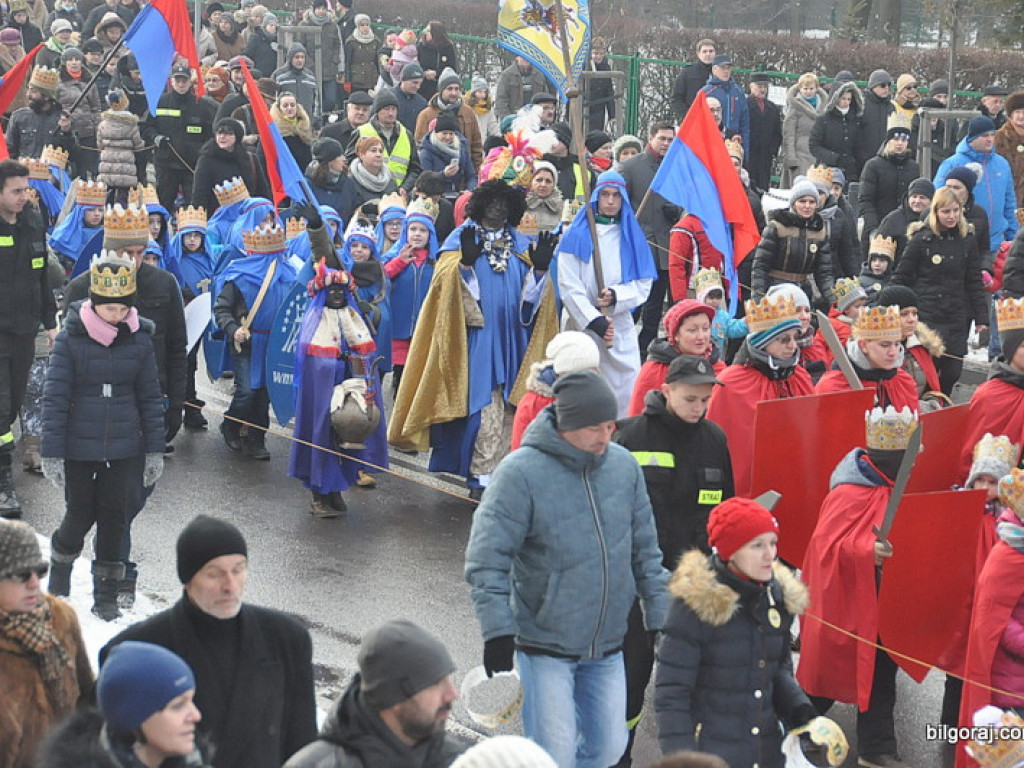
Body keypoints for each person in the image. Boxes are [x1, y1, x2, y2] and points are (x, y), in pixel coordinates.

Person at [465, 370, 669, 768]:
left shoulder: (624, 468)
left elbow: (646, 550)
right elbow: (486, 560)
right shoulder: (520, 473)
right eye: (595, 427)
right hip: (545, 645)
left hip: (609, 643)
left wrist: (659, 615)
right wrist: (498, 631)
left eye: (610, 425)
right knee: (552, 754)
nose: (605, 436)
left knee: (610, 748)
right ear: (567, 421)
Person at [102, 515, 317, 768]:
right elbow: (113, 750)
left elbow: (303, 743)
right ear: (187, 579)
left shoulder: (286, 639)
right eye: (214, 574)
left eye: (238, 570)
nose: (230, 586)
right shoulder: (139, 649)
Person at [388, 179, 558, 497]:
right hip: (476, 336)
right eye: (492, 202)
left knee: (510, 404)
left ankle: (505, 473)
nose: (498, 208)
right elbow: (444, 290)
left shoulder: (522, 245)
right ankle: (481, 477)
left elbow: (534, 303)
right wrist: (464, 265)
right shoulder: (460, 239)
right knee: (484, 405)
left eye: (504, 203)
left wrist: (539, 272)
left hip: (515, 337)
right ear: (480, 205)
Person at [614, 354, 734, 765]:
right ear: (666, 392)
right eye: (690, 399)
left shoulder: (715, 440)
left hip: (695, 582)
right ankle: (617, 757)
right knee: (631, 678)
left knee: (694, 687)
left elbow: (724, 513)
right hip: (639, 583)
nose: (698, 409)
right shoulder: (630, 437)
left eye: (704, 400)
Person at [656, 496, 827, 767]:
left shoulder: (777, 598)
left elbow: (777, 671)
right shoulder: (695, 605)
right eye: (757, 545)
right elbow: (672, 695)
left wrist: (802, 713)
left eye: (773, 543)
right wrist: (683, 759)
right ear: (730, 551)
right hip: (712, 753)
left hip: (767, 751)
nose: (770, 554)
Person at [42, 251, 163, 620]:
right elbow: (56, 397)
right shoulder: (70, 339)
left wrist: (154, 450)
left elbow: (149, 396)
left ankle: (106, 595)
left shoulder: (139, 339)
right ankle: (60, 573)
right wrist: (53, 453)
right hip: (80, 444)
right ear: (95, 305)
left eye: (123, 309)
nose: (117, 316)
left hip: (125, 446)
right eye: (109, 309)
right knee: (79, 514)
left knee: (115, 517)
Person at [798, 405, 919, 768]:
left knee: (883, 674)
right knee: (824, 678)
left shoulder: (907, 485)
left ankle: (876, 747)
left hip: (887, 602)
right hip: (847, 601)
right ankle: (794, 727)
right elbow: (825, 548)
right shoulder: (849, 491)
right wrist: (869, 551)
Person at [285, 620, 463, 768]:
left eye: (449, 679)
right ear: (395, 698)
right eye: (435, 683)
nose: (452, 694)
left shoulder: (461, 760)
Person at [557, 170, 656, 417]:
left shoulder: (632, 237)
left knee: (625, 390)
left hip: (619, 326)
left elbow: (643, 283)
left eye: (616, 196)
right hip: (583, 326)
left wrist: (616, 296)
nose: (610, 201)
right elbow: (568, 283)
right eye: (605, 195)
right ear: (596, 198)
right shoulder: (577, 234)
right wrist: (593, 318)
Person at [0, 519, 92, 768]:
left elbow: (87, 701)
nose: (34, 583)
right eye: (21, 574)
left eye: (39, 571)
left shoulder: (60, 618)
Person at [706, 293, 815, 497]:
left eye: (794, 338)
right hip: (749, 488)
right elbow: (719, 447)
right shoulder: (731, 382)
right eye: (783, 340)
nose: (792, 346)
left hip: (794, 481)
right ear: (763, 342)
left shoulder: (800, 377)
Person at [39, 640, 209, 768]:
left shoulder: (196, 760)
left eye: (191, 701)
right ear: (134, 716)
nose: (196, 715)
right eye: (178, 706)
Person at [892, 185, 988, 395]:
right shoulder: (921, 239)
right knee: (928, 372)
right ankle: (929, 407)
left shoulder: (967, 239)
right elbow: (901, 277)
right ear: (936, 212)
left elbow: (974, 280)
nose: (952, 216)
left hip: (956, 314)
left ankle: (943, 401)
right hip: (928, 313)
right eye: (946, 212)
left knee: (953, 371)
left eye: (956, 210)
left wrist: (982, 317)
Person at [214, 223, 297, 460]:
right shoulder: (239, 277)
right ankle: (231, 424)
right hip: (247, 343)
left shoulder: (290, 276)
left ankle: (257, 437)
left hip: (274, 345)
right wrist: (233, 329)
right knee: (248, 391)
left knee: (264, 394)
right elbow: (221, 309)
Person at [0, 161, 54, 519]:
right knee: (2, 408)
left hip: (24, 331)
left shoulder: (33, 222)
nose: (24, 197)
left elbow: (42, 276)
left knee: (14, 401)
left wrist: (51, 322)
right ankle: (4, 484)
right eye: (16, 191)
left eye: (26, 190)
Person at [621, 120, 678, 358]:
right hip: (639, 248)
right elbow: (620, 205)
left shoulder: (676, 167)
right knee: (632, 306)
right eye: (662, 138)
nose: (665, 144)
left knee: (655, 308)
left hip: (668, 250)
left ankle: (646, 353)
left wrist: (675, 210)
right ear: (651, 137)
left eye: (670, 139)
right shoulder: (631, 167)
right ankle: (623, 348)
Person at [382, 196, 440, 395]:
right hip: (398, 325)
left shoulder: (435, 263)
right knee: (399, 371)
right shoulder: (392, 257)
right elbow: (381, 280)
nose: (417, 234)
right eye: (413, 229)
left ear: (430, 235)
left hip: (423, 326)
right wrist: (400, 262)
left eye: (423, 230)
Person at [936, 115, 1019, 253]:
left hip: (998, 242)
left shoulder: (1002, 164)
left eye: (992, 134)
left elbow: (1009, 202)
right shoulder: (952, 164)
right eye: (984, 135)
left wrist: (1013, 236)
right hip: (964, 241)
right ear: (971, 138)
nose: (990, 139)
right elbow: (939, 200)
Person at [142, 63, 218, 213]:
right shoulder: (160, 102)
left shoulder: (203, 105)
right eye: (178, 81)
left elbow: (211, 134)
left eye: (184, 81)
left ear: (190, 82)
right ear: (171, 81)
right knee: (164, 203)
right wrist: (156, 138)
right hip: (166, 163)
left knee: (195, 206)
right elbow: (145, 127)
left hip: (192, 165)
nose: (181, 84)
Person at [815, 304, 920, 410]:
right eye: (885, 345)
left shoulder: (904, 382)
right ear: (863, 345)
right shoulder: (833, 386)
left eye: (897, 344)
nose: (893, 352)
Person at [628, 299, 721, 418]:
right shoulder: (655, 370)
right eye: (692, 330)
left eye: (706, 328)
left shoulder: (719, 367)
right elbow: (639, 420)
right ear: (675, 334)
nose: (701, 337)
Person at [750, 178, 835, 305]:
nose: (807, 206)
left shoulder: (820, 232)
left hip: (803, 291)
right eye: (802, 201)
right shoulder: (776, 227)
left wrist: (833, 300)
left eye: (811, 202)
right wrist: (758, 298)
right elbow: (760, 266)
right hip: (776, 290)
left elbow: (824, 272)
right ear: (794, 203)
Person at [511, 330, 599, 451]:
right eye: (585, 374)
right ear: (564, 373)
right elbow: (519, 453)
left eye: (594, 373)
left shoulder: (598, 398)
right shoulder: (533, 404)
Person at [875, 284, 946, 407]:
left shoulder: (919, 347)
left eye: (914, 313)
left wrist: (931, 402)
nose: (911, 319)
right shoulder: (874, 352)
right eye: (904, 314)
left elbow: (930, 387)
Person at [859, 126, 921, 254]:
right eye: (896, 139)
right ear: (888, 141)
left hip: (905, 230)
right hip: (878, 226)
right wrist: (873, 229)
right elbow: (866, 199)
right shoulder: (873, 166)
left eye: (903, 140)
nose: (899, 143)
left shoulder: (913, 167)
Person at [191, 118, 269, 214]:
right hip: (216, 218)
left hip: (246, 216)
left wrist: (268, 212)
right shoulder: (206, 158)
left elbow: (262, 191)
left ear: (237, 136)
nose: (222, 137)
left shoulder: (250, 159)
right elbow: (199, 193)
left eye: (228, 133)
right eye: (219, 133)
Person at [353, 89, 422, 195]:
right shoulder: (361, 132)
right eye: (386, 109)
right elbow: (350, 164)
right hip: (367, 192)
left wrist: (405, 187)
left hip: (399, 194)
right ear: (377, 111)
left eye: (394, 109)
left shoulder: (406, 134)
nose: (391, 113)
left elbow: (415, 168)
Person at [414, 68, 483, 170]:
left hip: (465, 175)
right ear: (441, 90)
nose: (454, 93)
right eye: (449, 89)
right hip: (435, 175)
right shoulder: (426, 115)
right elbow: (419, 147)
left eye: (457, 89)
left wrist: (477, 173)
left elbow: (476, 145)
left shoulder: (468, 112)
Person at [6, 66, 74, 162]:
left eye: (33, 91)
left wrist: (67, 132)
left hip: (52, 174)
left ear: (46, 96)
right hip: (24, 173)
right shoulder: (18, 117)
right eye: (28, 89)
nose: (28, 95)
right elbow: (9, 151)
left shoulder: (62, 119)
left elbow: (74, 154)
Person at [809, 81, 865, 183]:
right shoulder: (823, 119)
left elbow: (859, 147)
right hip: (827, 170)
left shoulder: (855, 120)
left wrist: (857, 164)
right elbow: (814, 146)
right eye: (843, 98)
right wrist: (833, 157)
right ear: (835, 98)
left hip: (850, 171)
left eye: (849, 99)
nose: (846, 102)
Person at [782, 74, 827, 186]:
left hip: (818, 154)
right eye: (805, 88)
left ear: (816, 89)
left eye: (811, 88)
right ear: (800, 89)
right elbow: (789, 134)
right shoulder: (795, 107)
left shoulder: (824, 107)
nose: (808, 91)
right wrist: (791, 158)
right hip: (800, 154)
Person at [418, 110, 477, 195]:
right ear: (436, 133)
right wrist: (443, 175)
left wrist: (469, 190)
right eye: (444, 133)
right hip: (435, 197)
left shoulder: (461, 149)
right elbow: (424, 182)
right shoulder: (426, 152)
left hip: (457, 194)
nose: (448, 137)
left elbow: (472, 176)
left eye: (451, 133)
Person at [298, 0, 341, 113]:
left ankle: (325, 121)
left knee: (331, 100)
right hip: (310, 70)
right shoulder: (304, 25)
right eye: (318, 8)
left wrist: (335, 60)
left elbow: (337, 44)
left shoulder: (332, 26)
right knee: (312, 100)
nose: (321, 11)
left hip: (329, 70)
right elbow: (300, 47)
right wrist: (308, 63)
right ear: (313, 9)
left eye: (323, 8)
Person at [876, 177, 933, 263]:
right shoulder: (892, 220)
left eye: (922, 197)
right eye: (914, 197)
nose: (917, 201)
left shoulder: (937, 219)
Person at [96, 89, 144, 191]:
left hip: (107, 164)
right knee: (124, 197)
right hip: (126, 166)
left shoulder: (103, 124)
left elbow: (99, 145)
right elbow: (138, 145)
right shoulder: (131, 124)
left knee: (107, 194)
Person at [699, 54, 748, 149]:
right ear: (714, 70)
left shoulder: (738, 92)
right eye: (722, 68)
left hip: (733, 144)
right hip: (711, 143)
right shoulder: (705, 92)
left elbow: (744, 123)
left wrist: (744, 148)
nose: (726, 71)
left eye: (728, 68)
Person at [745, 72, 782, 192]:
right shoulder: (745, 105)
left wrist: (773, 149)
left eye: (765, 87)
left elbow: (777, 132)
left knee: (763, 186)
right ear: (751, 86)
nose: (763, 90)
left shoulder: (773, 108)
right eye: (759, 86)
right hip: (750, 154)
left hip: (765, 155)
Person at [306, 137, 355, 223]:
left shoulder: (348, 184)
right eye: (339, 155)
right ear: (329, 160)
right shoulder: (307, 185)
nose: (344, 159)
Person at [349, 135, 399, 209]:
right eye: (373, 151)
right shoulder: (351, 181)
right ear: (361, 154)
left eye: (381, 151)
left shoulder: (390, 179)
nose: (378, 155)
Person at [670, 38, 715, 121]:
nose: (708, 54)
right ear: (698, 54)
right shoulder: (687, 72)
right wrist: (690, 115)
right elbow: (676, 99)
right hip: (692, 121)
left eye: (711, 51)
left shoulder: (720, 73)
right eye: (704, 51)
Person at [272, 43, 320, 121]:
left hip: (306, 123)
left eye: (302, 57)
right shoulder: (279, 76)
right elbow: (273, 100)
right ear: (290, 58)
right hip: (284, 123)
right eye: (297, 57)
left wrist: (316, 121)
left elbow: (316, 101)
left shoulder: (310, 77)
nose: (300, 60)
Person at [494, 56, 549, 120]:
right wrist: (507, 119)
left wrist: (544, 116)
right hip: (515, 119)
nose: (526, 58)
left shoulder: (539, 74)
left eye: (528, 55)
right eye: (523, 56)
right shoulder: (507, 75)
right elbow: (501, 100)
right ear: (517, 57)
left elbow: (546, 98)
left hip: (536, 118)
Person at [272, 91, 314, 172]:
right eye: (285, 106)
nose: (289, 108)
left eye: (292, 105)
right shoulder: (274, 129)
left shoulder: (304, 126)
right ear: (279, 108)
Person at [585, 36, 615, 132]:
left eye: (601, 54)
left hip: (598, 110)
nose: (598, 56)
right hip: (584, 107)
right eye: (595, 53)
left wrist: (612, 115)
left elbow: (609, 91)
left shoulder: (606, 67)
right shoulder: (584, 66)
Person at [523, 161, 563, 233]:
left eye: (548, 181)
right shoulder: (520, 206)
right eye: (539, 180)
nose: (543, 184)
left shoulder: (561, 209)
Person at [858, 234, 897, 302]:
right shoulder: (861, 281)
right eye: (874, 260)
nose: (877, 264)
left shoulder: (893, 281)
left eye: (882, 261)